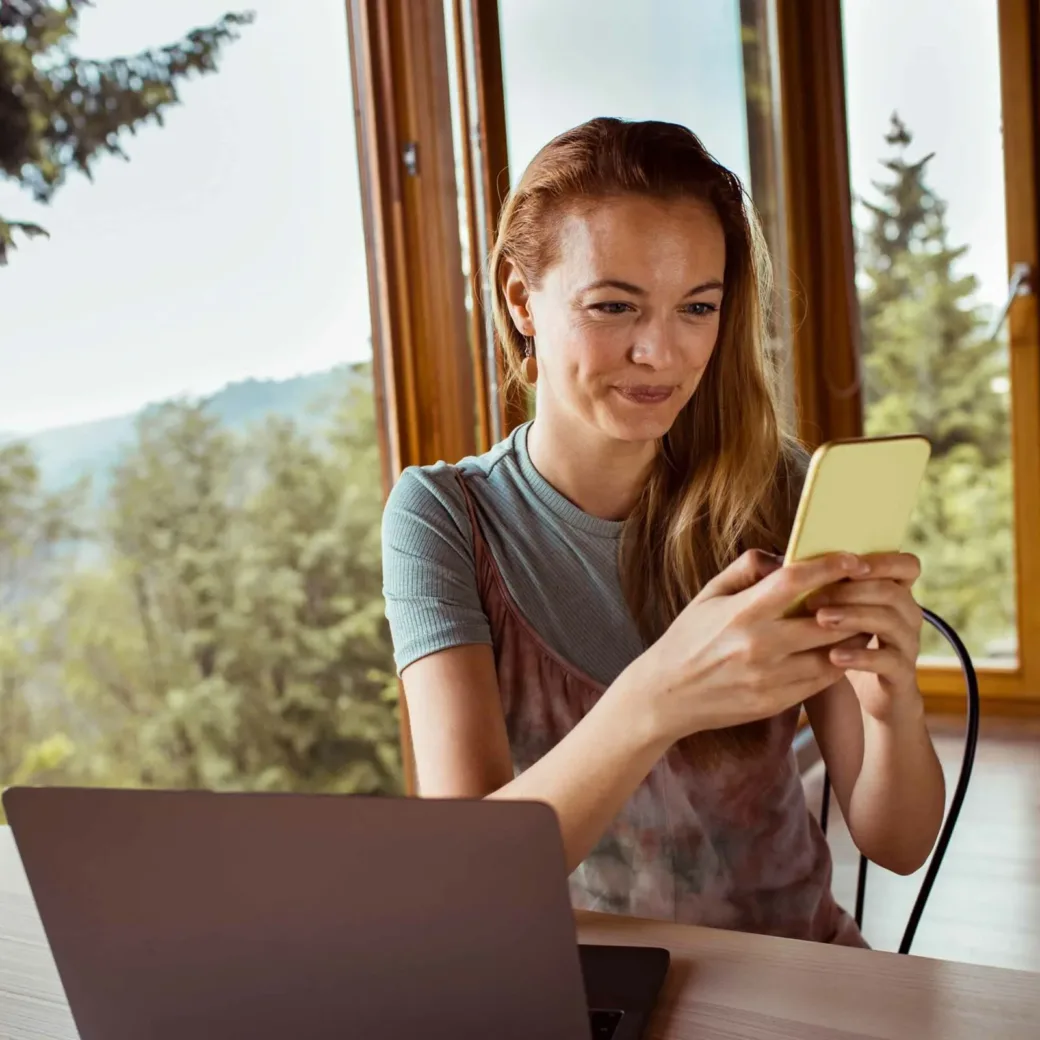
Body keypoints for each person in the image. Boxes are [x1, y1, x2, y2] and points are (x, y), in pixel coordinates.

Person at [381, 117, 944, 946]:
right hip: (585, 992)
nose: (662, 353)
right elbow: (471, 876)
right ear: (519, 299)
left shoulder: (778, 489)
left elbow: (898, 846)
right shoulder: (443, 519)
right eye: (614, 305)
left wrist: (893, 702)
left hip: (796, 973)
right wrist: (658, 697)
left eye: (698, 307)